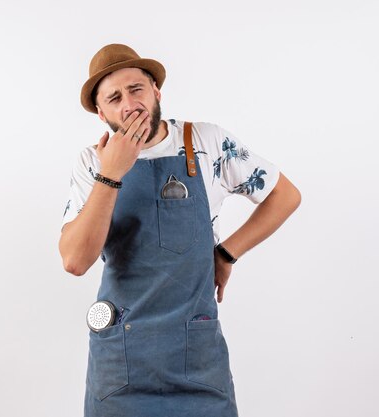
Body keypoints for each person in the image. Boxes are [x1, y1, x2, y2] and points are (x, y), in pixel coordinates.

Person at [59, 44, 301, 417]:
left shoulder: (205, 142)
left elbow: (285, 196)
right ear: (101, 112)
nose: (129, 104)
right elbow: (75, 260)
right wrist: (112, 173)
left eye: (136, 89)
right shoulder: (92, 163)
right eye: (114, 97)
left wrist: (226, 253)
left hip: (197, 361)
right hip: (120, 364)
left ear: (156, 90)